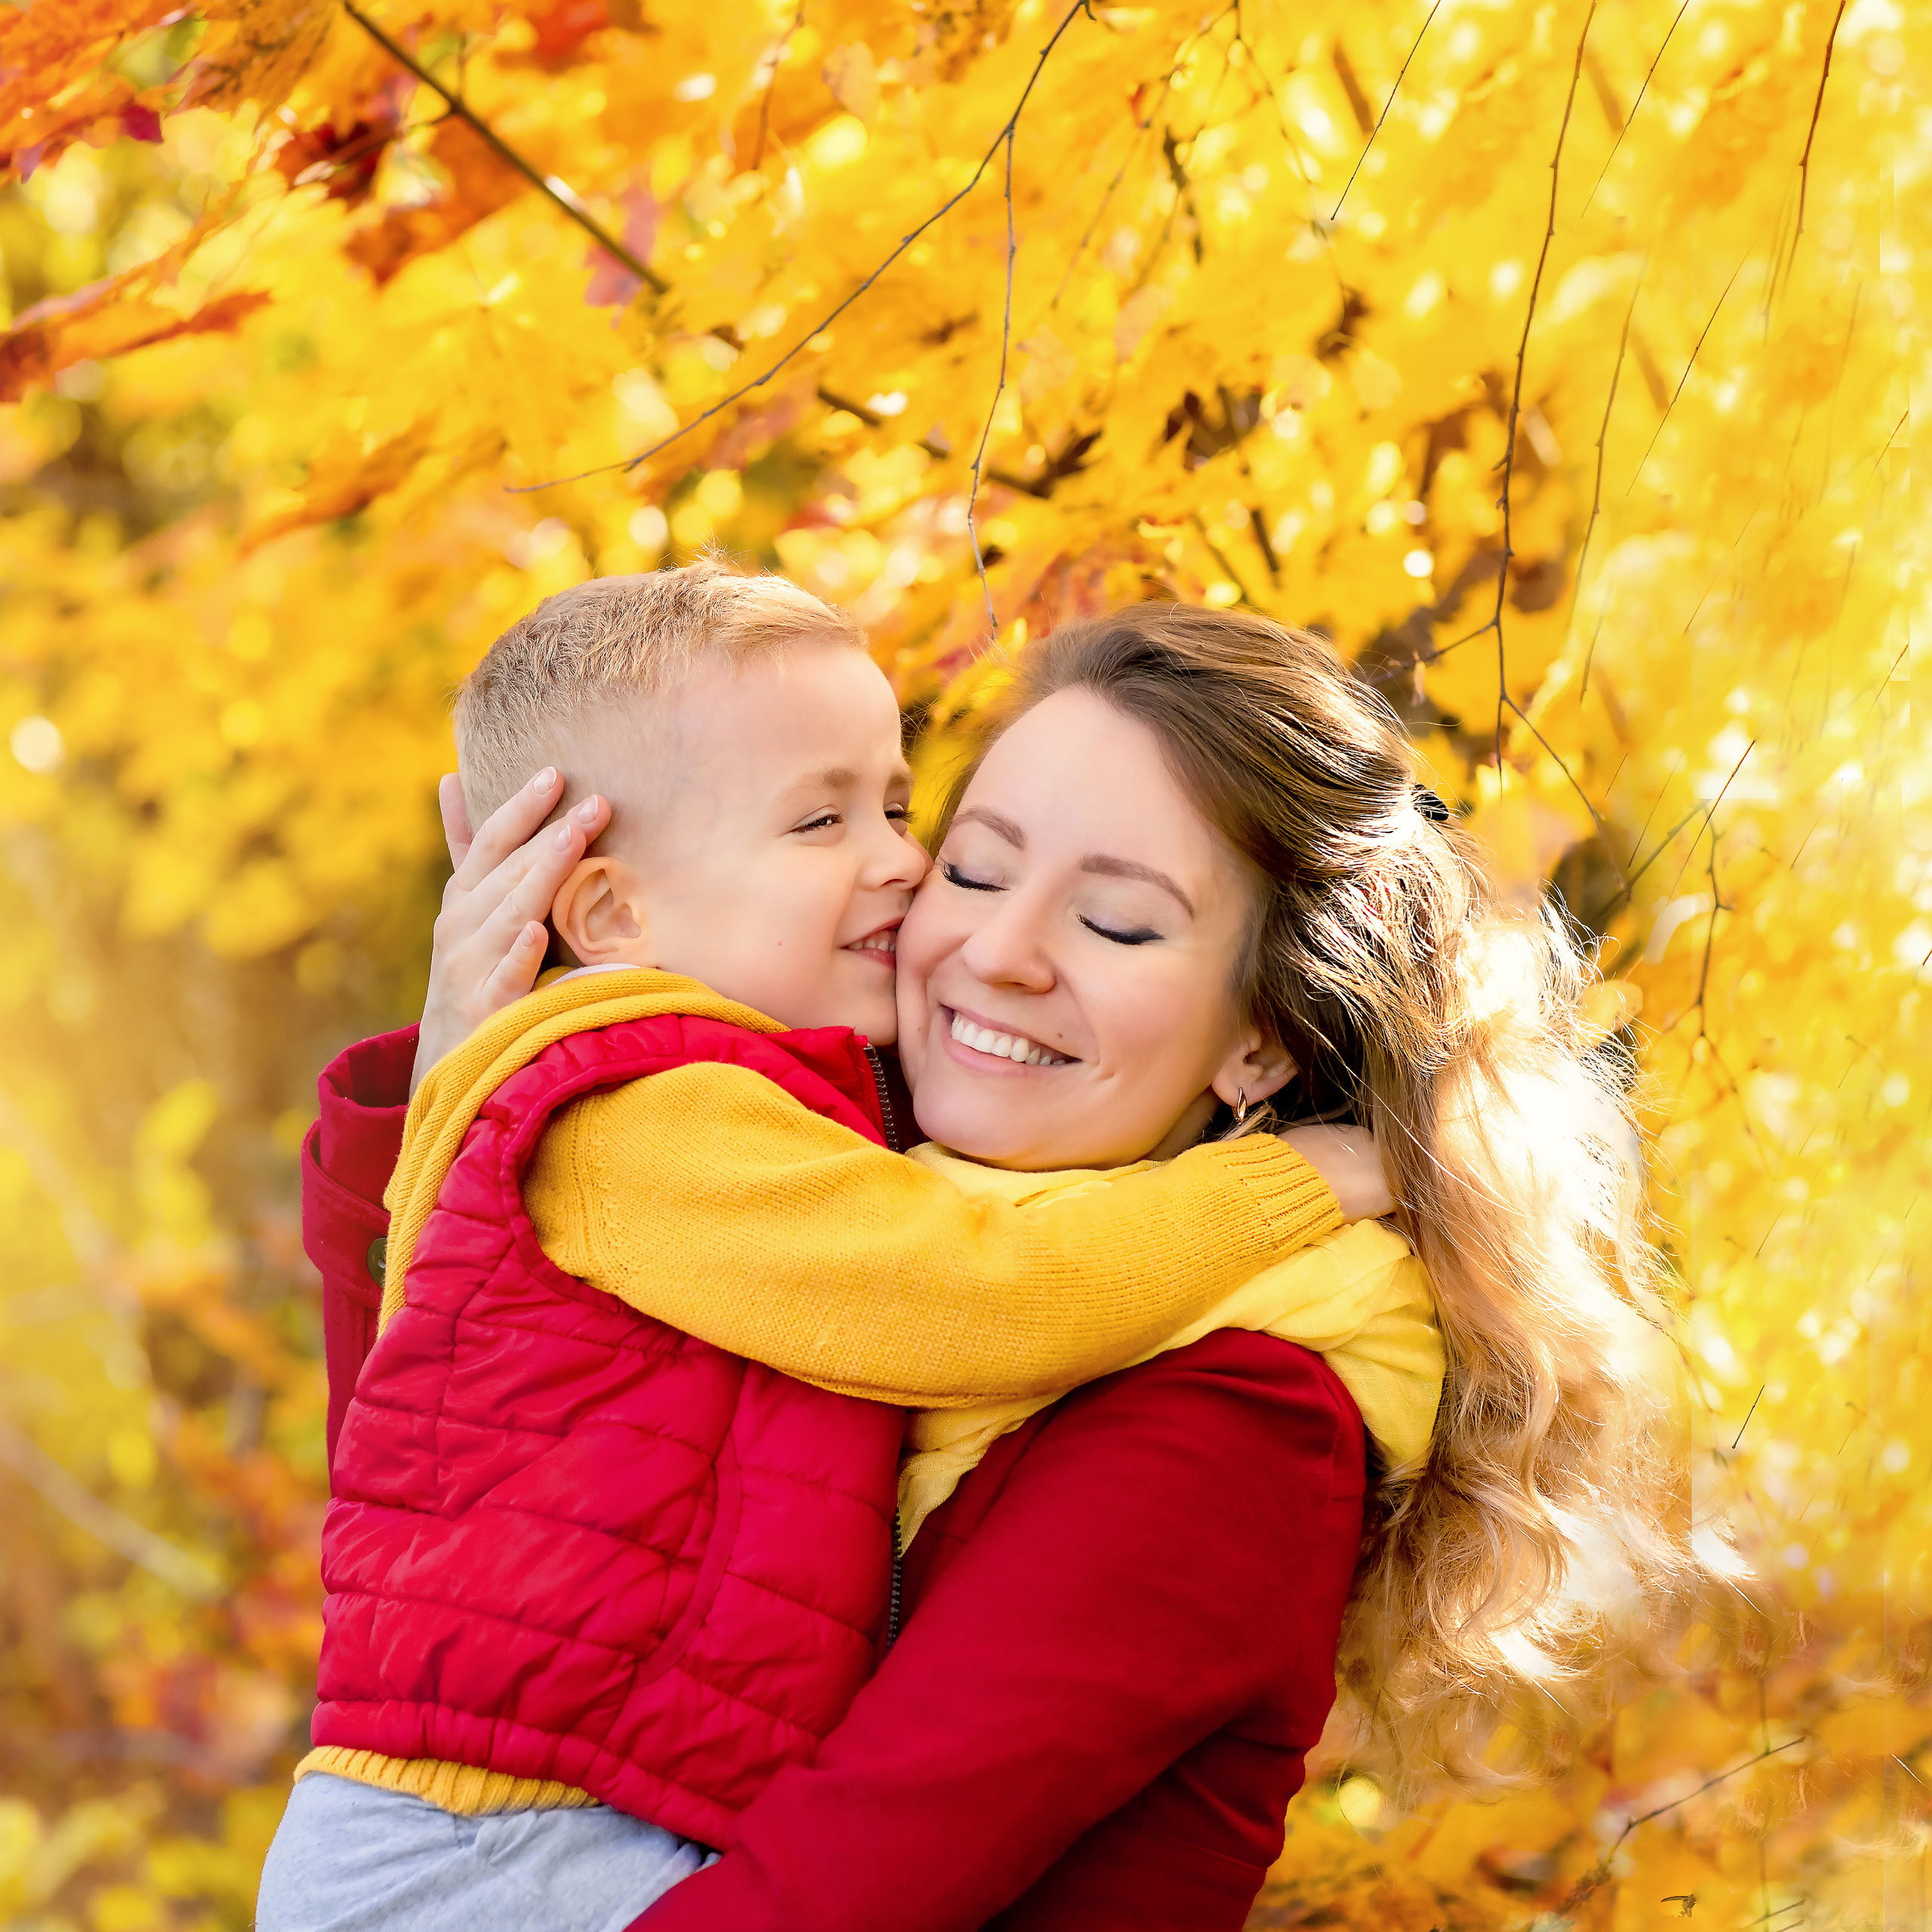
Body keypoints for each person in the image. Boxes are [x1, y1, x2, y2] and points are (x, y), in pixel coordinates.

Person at [301, 599, 1702, 1930]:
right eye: (970, 867)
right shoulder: (833, 1218)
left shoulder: (1237, 1423)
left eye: (1118, 922)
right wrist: (460, 1091)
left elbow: (831, 1901)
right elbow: (460, 1497)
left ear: (1259, 1043)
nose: (996, 948)